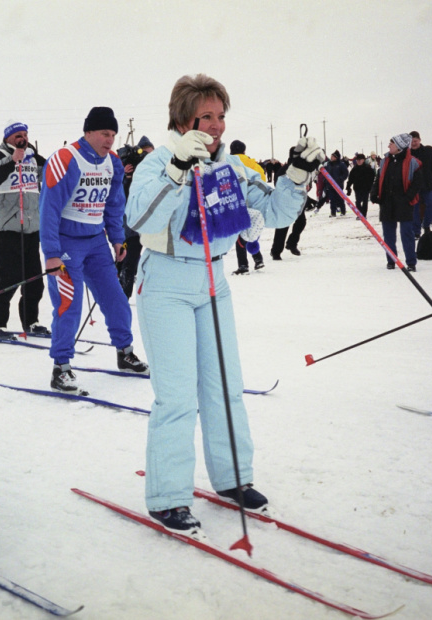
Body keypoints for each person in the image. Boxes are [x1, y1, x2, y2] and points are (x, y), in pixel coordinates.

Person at [126, 74, 321, 532]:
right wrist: (176, 168)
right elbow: (138, 216)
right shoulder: (158, 160)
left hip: (215, 280)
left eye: (220, 116)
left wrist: (295, 176)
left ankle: (232, 478)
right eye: (206, 117)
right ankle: (167, 496)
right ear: (182, 117)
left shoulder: (230, 166)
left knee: (223, 386)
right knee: (176, 395)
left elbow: (276, 212)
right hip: (167, 282)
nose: (215, 126)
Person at [39, 107, 148, 392]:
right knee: (69, 305)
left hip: (97, 241)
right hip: (65, 243)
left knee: (116, 300)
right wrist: (51, 253)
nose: (110, 139)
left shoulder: (112, 162)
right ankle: (60, 368)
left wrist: (117, 238)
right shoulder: (66, 159)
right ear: (88, 132)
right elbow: (48, 209)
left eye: (113, 134)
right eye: (104, 133)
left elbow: (114, 205)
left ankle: (125, 353)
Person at [0, 121, 48, 337]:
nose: (22, 138)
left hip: (30, 226)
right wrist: (12, 160)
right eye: (17, 135)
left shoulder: (31, 155)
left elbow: (50, 171)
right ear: (8, 138)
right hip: (5, 227)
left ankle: (31, 321)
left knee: (35, 280)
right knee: (9, 278)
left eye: (25, 134)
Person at [370, 133, 420, 271]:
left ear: (399, 146)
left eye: (391, 143)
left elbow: (417, 183)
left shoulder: (412, 162)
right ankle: (391, 260)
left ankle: (411, 262)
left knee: (407, 234)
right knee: (388, 235)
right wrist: (374, 194)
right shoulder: (385, 161)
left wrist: (407, 198)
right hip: (387, 202)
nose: (388, 146)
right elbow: (378, 179)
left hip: (404, 203)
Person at [118, 135, 155, 297]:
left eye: (151, 155)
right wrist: (124, 176)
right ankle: (123, 294)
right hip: (128, 221)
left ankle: (121, 290)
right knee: (129, 257)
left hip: (145, 220)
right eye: (145, 154)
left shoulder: (154, 169)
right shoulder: (129, 169)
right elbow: (120, 195)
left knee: (130, 257)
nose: (148, 158)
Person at [229, 140, 266, 274]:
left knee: (241, 235)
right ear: (244, 150)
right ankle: (258, 259)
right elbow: (263, 181)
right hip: (255, 204)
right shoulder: (254, 165)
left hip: (240, 203)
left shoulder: (229, 162)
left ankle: (243, 265)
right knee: (252, 232)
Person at [408, 131, 432, 238]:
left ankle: (427, 224)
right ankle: (416, 231)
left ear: (420, 140)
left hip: (427, 183)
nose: (413, 143)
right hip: (413, 185)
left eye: (415, 141)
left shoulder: (428, 152)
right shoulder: (407, 154)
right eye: (411, 141)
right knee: (415, 208)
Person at [345, 153, 375, 218]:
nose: (358, 161)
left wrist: (370, 186)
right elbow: (350, 179)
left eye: (360, 160)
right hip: (357, 188)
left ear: (363, 160)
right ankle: (360, 214)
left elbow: (372, 178)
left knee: (365, 202)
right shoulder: (354, 169)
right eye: (357, 160)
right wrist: (348, 187)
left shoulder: (368, 169)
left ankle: (363, 215)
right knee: (358, 202)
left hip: (366, 188)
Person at [324, 150, 349, 217]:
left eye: (333, 156)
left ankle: (343, 211)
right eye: (331, 156)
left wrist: (340, 179)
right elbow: (325, 173)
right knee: (332, 199)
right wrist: (326, 181)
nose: (331, 157)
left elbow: (346, 173)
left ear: (336, 157)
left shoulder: (341, 164)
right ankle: (333, 212)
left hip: (338, 185)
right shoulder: (328, 164)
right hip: (330, 185)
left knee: (340, 198)